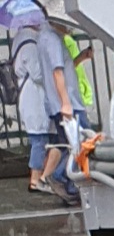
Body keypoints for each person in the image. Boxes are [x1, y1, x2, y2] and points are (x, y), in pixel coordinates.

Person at [31, 12, 82, 205]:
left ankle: (65, 183)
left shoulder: (46, 37)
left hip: (60, 102)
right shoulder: (51, 39)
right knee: (79, 145)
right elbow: (58, 72)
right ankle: (60, 176)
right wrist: (66, 103)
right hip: (67, 104)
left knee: (69, 144)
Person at [9, 23, 54, 196]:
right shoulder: (30, 43)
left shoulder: (19, 38)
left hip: (28, 94)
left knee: (39, 137)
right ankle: (36, 179)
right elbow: (37, 74)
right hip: (33, 95)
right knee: (39, 138)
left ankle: (42, 176)